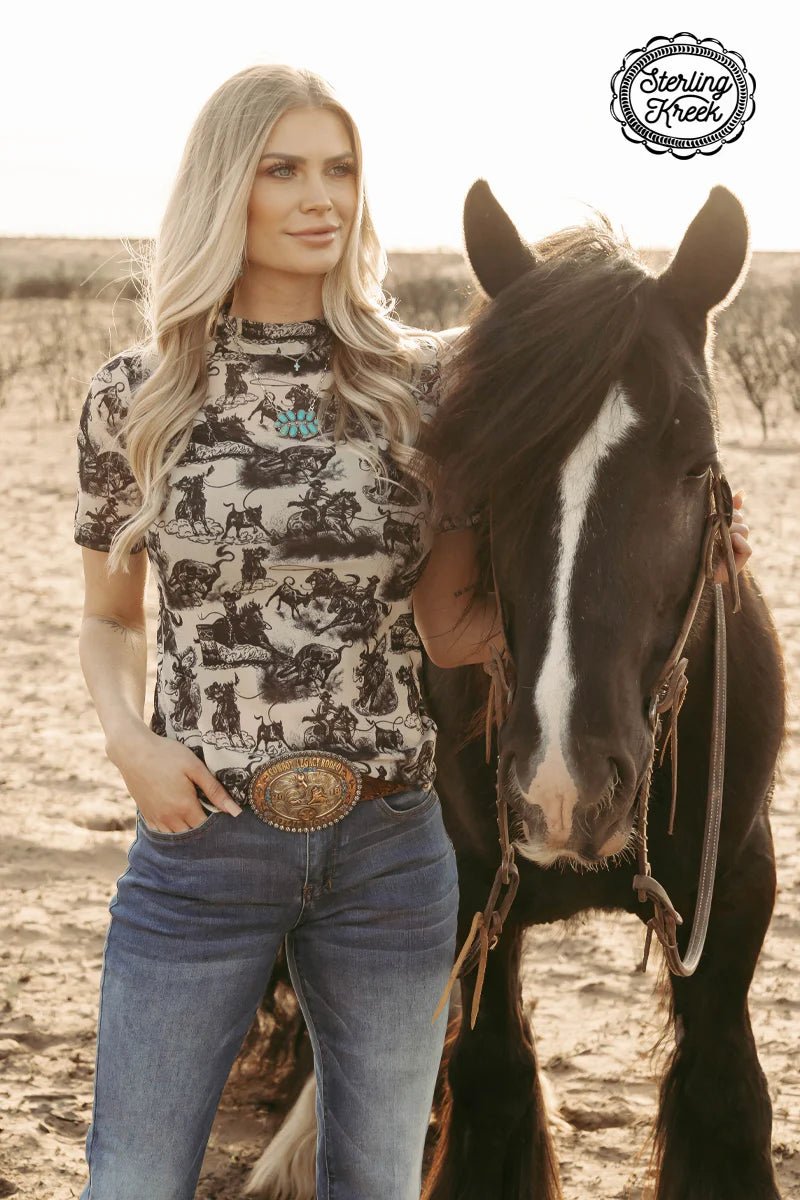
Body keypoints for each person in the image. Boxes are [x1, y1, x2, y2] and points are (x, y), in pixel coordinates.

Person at [73, 63, 754, 1200]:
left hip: (387, 850)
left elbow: (450, 625)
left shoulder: (422, 385)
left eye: (339, 170)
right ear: (221, 188)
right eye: (282, 170)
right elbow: (107, 617)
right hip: (204, 845)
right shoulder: (132, 398)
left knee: (380, 1185)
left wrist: (653, 578)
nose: (319, 198)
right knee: (133, 1177)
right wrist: (128, 743)